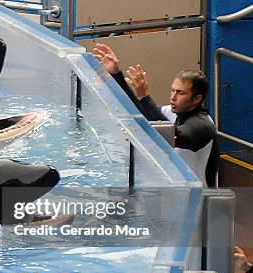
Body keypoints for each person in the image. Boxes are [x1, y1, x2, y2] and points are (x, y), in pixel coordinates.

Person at [92, 43, 219, 187]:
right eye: (173, 90)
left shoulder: (203, 125)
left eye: (181, 93)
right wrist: (116, 76)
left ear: (197, 99)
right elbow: (138, 112)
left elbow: (170, 136)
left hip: (199, 199)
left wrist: (144, 96)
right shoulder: (170, 113)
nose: (173, 97)